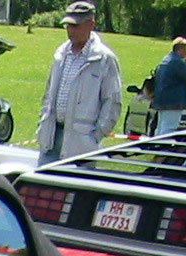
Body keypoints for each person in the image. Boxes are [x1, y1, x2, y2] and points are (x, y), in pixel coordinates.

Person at [35, 0, 122, 166]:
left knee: (76, 190)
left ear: (91, 24)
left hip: (82, 144)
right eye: (67, 25)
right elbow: (48, 94)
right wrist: (43, 122)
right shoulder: (61, 54)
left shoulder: (104, 59)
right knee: (44, 187)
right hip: (51, 138)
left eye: (75, 26)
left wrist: (94, 137)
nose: (70, 30)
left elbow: (112, 103)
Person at [150, 37, 186, 136]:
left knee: (161, 126)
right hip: (173, 100)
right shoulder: (177, 62)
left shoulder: (165, 60)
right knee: (169, 127)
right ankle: (163, 147)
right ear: (180, 49)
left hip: (162, 99)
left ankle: (156, 145)